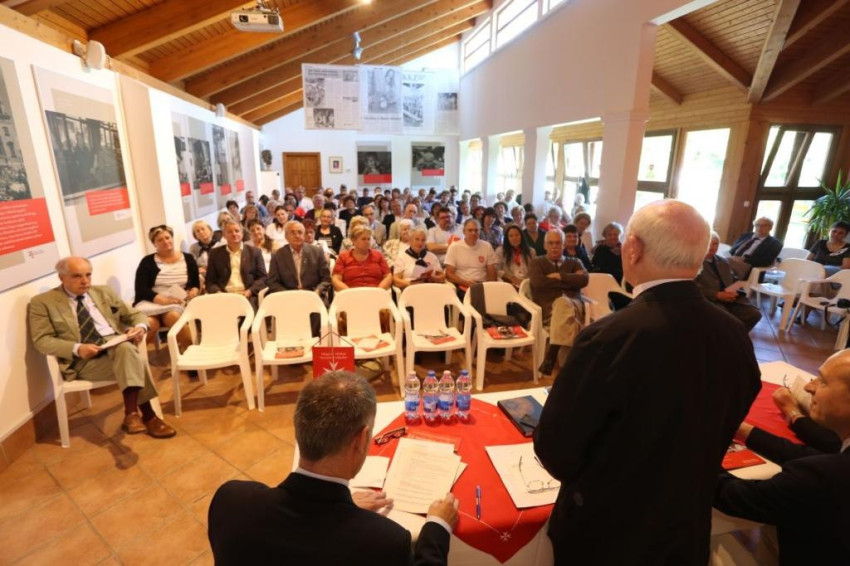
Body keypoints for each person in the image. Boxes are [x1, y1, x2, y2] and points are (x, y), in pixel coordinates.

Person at [534, 200, 761, 565]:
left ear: (633, 248)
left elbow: (556, 450)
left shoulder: (608, 337)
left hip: (606, 534)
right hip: (684, 528)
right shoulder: (735, 333)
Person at [208, 371, 457, 565]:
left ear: (299, 428)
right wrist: (438, 526)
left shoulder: (229, 500)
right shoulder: (385, 542)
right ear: (361, 439)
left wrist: (344, 508)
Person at [714, 349, 850, 565]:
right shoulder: (828, 465)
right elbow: (818, 455)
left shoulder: (819, 476)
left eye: (823, 382)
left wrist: (693, 451)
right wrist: (744, 430)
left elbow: (732, 497)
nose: (808, 387)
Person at [29, 257, 176, 439]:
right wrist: (77, 348)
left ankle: (132, 415)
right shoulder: (43, 302)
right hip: (84, 361)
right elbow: (42, 340)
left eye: (88, 275)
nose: (85, 281)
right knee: (133, 358)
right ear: (61, 277)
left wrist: (140, 327)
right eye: (77, 276)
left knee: (126, 349)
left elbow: (135, 315)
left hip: (116, 347)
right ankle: (149, 416)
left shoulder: (103, 292)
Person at [528, 229, 588, 376]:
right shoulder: (537, 263)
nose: (554, 247)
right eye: (551, 243)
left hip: (575, 305)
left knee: (563, 303)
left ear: (563, 244)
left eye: (558, 243)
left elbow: (584, 280)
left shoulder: (575, 262)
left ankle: (551, 355)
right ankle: (567, 373)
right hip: (548, 310)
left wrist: (559, 276)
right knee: (570, 322)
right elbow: (538, 283)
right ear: (545, 245)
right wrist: (570, 280)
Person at [134, 225, 200, 346]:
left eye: (167, 237)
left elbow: (195, 284)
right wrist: (162, 300)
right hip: (152, 301)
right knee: (150, 323)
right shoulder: (147, 262)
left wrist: (194, 291)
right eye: (160, 240)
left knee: (173, 317)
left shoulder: (188, 259)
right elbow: (141, 289)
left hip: (176, 301)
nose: (165, 241)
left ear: (172, 238)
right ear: (154, 244)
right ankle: (135, 356)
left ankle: (192, 352)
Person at [695, 231, 762, 331]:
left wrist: (735, 292)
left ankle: (737, 337)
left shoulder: (723, 261)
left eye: (715, 244)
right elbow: (693, 287)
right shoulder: (694, 263)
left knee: (754, 314)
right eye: (708, 243)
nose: (712, 247)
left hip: (731, 299)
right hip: (710, 300)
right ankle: (729, 337)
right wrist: (717, 295)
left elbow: (734, 279)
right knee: (729, 320)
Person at [206, 220, 268, 310]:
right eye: (230, 232)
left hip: (247, 296)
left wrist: (250, 291)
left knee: (248, 315)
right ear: (224, 235)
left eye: (237, 231)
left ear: (242, 233)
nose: (234, 234)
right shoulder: (215, 254)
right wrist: (218, 292)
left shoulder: (255, 252)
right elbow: (210, 281)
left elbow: (263, 278)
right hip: (224, 296)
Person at [267, 220, 331, 304]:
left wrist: (318, 291)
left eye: (300, 232)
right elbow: (273, 282)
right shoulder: (278, 255)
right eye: (293, 232)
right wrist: (287, 295)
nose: (297, 235)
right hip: (287, 297)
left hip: (313, 295)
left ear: (304, 235)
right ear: (286, 236)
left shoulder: (317, 252)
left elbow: (326, 279)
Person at [444, 218, 498, 298]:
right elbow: (449, 274)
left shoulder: (487, 246)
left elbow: (492, 273)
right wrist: (465, 283)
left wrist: (490, 288)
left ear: (480, 231)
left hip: (482, 285)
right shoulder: (454, 247)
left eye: (476, 230)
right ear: (464, 231)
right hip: (462, 285)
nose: (473, 233)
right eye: (470, 230)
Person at [332, 224, 392, 291]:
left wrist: (379, 290)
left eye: (368, 239)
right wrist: (348, 292)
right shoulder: (343, 257)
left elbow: (388, 276)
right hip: (351, 293)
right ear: (353, 240)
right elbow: (336, 279)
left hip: (375, 292)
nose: (367, 242)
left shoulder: (378, 255)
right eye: (363, 239)